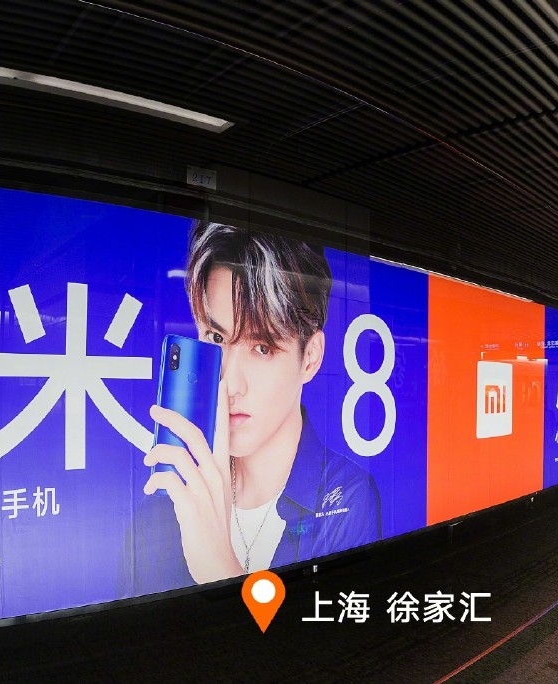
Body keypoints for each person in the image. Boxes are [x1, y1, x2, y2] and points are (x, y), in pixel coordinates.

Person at [140, 221, 382, 587]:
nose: (230, 384)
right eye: (216, 337)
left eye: (262, 347)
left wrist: (221, 571)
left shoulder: (346, 499)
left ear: (310, 358)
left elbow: (330, 625)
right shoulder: (162, 508)